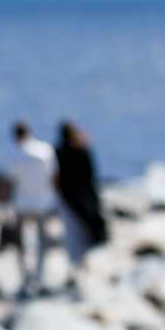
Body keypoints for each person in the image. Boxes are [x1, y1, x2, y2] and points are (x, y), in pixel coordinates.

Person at [4, 121, 56, 296]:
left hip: (22, 204)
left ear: (16, 136)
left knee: (22, 245)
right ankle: (40, 277)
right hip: (43, 202)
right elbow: (54, 176)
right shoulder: (46, 150)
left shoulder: (15, 155)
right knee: (42, 243)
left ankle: (25, 279)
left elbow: (9, 182)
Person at [54, 120, 108, 282]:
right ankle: (84, 265)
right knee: (86, 230)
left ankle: (76, 266)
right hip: (84, 196)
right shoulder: (82, 149)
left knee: (73, 233)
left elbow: (56, 178)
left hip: (67, 197)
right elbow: (91, 175)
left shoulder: (58, 152)